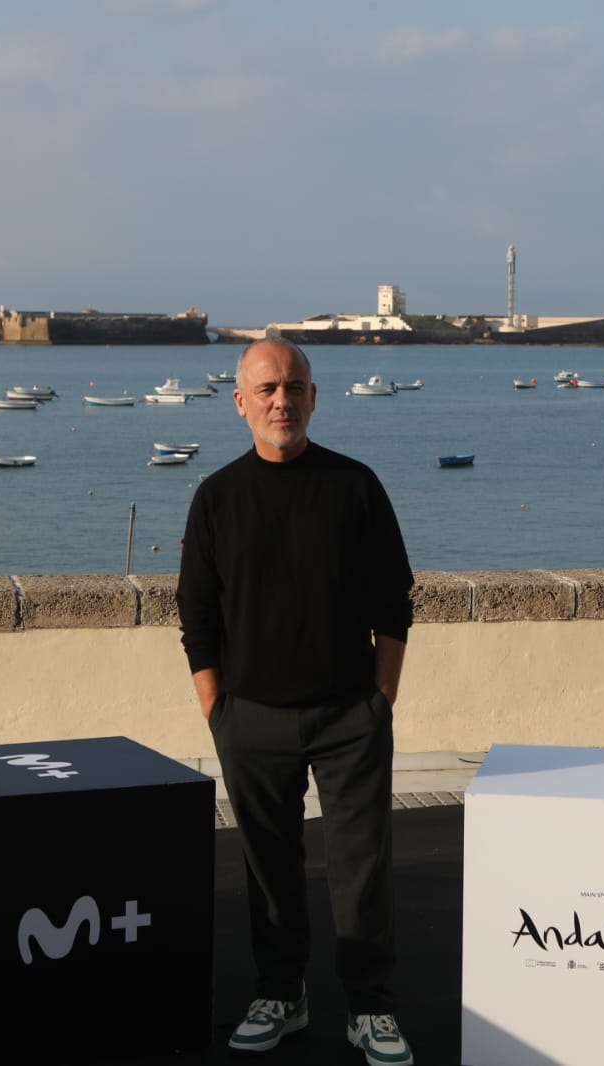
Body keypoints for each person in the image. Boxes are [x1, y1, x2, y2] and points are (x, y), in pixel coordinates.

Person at [177, 338, 416, 1065]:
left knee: (361, 868)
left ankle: (369, 1007)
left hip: (350, 717)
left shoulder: (355, 486)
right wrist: (218, 710)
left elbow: (393, 603)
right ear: (241, 401)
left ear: (314, 396)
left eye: (294, 386)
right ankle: (281, 992)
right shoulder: (217, 496)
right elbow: (196, 615)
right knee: (267, 866)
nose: (282, 400)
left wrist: (379, 701)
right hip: (250, 719)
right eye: (267, 388)